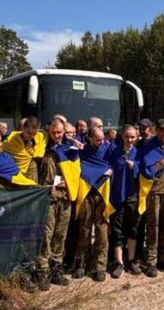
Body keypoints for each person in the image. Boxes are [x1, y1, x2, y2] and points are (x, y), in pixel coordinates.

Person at [36, 117, 74, 288]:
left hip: (65, 198)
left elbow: (76, 172)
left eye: (59, 132)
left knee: (61, 234)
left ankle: (56, 269)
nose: (57, 135)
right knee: (46, 235)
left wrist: (70, 181)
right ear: (48, 132)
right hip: (48, 198)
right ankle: (42, 271)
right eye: (53, 132)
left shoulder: (70, 149)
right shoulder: (42, 149)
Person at [138, 119, 164, 277]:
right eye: (161, 129)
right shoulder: (149, 146)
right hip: (154, 192)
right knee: (153, 227)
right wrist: (162, 162)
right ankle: (151, 262)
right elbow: (146, 170)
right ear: (156, 130)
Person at [74, 127, 112, 282]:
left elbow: (118, 161)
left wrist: (111, 171)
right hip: (86, 194)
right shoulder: (82, 150)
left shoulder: (108, 149)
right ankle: (81, 264)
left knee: (102, 232)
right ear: (89, 138)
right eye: (98, 139)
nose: (101, 141)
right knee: (84, 230)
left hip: (102, 195)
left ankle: (100, 266)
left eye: (102, 138)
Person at [107, 125, 140, 278]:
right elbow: (104, 164)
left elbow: (147, 170)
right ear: (122, 136)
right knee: (118, 231)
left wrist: (136, 167)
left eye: (132, 137)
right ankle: (119, 262)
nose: (129, 140)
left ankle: (131, 260)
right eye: (127, 136)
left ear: (137, 137)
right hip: (117, 197)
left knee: (133, 230)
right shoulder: (114, 152)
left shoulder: (138, 153)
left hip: (133, 197)